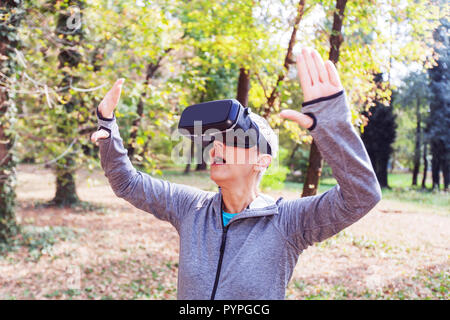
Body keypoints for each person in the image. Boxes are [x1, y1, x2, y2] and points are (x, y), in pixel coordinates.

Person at [90, 47, 382, 300]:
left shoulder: (289, 222)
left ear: (262, 161)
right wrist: (108, 125)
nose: (217, 147)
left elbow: (362, 196)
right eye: (216, 139)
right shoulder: (191, 208)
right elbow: (127, 182)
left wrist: (331, 125)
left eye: (233, 140)